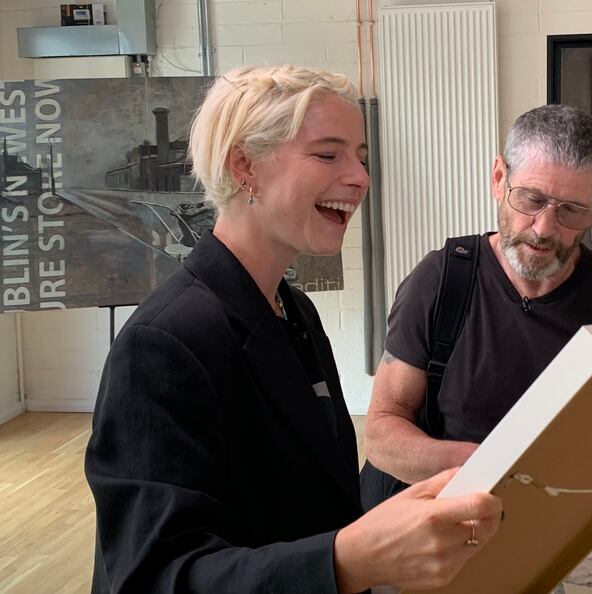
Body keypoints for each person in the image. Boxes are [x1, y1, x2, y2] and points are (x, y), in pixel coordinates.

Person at [84, 64, 503, 594]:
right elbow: (151, 577)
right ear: (245, 166)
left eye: (361, 157)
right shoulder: (164, 344)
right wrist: (345, 561)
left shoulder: (295, 312)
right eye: (328, 154)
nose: (361, 177)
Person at [362, 105, 592, 588]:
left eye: (571, 210)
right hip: (446, 541)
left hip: (582, 549)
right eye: (531, 199)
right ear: (499, 178)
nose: (543, 228)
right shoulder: (440, 282)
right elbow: (381, 433)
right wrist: (492, 471)